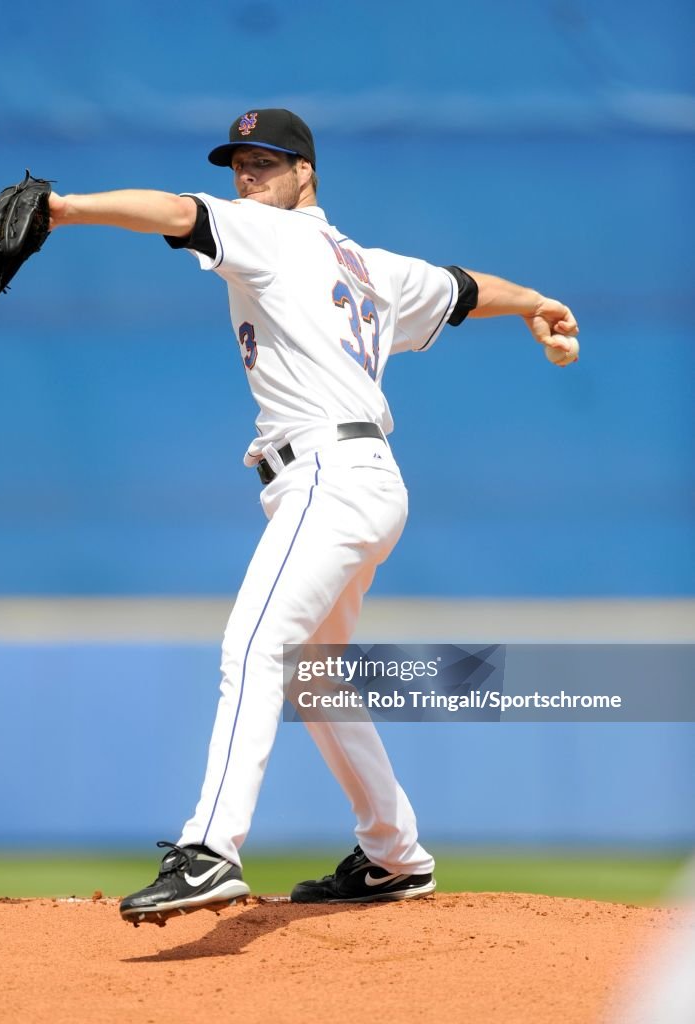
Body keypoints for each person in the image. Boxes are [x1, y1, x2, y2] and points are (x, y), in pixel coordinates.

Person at [47, 108, 579, 926]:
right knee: (314, 673)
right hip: (360, 481)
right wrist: (538, 302)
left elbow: (175, 212)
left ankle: (209, 850)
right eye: (240, 162)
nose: (249, 174)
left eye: (268, 160)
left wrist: (64, 208)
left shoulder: (270, 235)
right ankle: (395, 857)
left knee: (256, 644)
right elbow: (464, 288)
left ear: (307, 173)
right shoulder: (368, 266)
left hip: (328, 478)